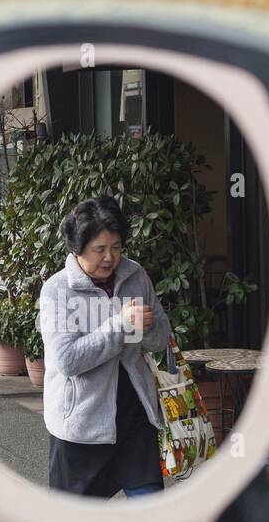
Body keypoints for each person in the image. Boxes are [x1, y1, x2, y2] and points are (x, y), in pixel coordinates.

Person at [39, 195, 171, 500]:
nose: (110, 258)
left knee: (150, 513)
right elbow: (68, 360)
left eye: (116, 247)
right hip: (82, 426)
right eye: (99, 249)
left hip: (134, 417)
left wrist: (147, 326)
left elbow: (161, 339)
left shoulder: (135, 275)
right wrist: (122, 326)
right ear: (77, 248)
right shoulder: (57, 291)